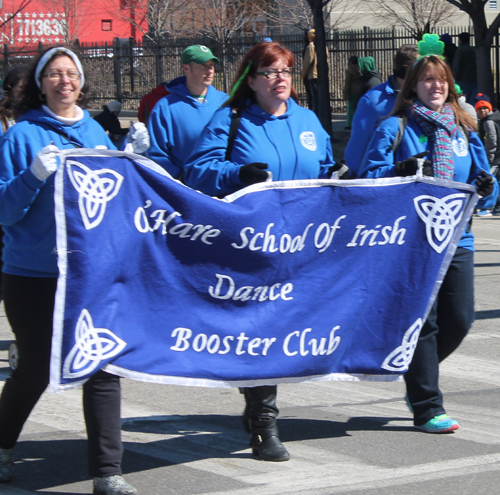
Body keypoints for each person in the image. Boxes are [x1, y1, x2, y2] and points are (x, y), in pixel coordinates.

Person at [0, 46, 145, 494]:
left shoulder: (95, 133)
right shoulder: (22, 136)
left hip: (88, 273)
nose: (65, 81)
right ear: (41, 83)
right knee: (39, 367)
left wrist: (133, 161)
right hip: (32, 274)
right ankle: (2, 447)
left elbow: (116, 202)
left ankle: (107, 472)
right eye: (55, 74)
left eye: (72, 74)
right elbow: (4, 211)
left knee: (102, 364)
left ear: (82, 81)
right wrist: (32, 176)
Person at [183, 42, 336, 461]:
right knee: (261, 333)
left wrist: (337, 176)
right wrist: (236, 174)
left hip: (301, 247)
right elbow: (197, 171)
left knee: (285, 331)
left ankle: (258, 406)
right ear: (250, 80)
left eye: (286, 70)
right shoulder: (231, 120)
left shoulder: (307, 120)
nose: (280, 78)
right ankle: (263, 423)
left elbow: (325, 169)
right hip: (250, 247)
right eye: (269, 72)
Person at [358, 40, 498, 433]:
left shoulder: (464, 128)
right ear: (413, 86)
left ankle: (417, 374)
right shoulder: (396, 126)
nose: (435, 87)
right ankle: (427, 405)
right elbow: (368, 179)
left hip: (458, 237)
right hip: (412, 242)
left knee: (460, 318)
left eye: (442, 80)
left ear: (450, 86)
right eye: (427, 80)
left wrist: (488, 189)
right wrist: (397, 170)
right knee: (426, 322)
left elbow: (485, 182)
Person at [146, 45, 227, 179]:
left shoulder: (224, 102)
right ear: (186, 68)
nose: (210, 71)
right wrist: (180, 179)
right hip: (185, 189)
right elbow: (156, 153)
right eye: (203, 65)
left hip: (222, 185)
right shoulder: (165, 107)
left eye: (211, 65)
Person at [344, 45, 418, 177]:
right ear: (407, 71)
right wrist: (352, 178)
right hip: (389, 180)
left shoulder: (425, 97)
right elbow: (358, 146)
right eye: (421, 70)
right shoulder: (373, 101)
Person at [475, 93, 500, 215]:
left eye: (484, 108)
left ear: (489, 108)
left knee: (490, 180)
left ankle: (486, 207)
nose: (482, 111)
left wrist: (488, 159)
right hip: (497, 156)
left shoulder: (488, 122)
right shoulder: (496, 117)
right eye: (479, 109)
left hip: (495, 157)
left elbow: (491, 141)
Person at [301, 29, 328, 116]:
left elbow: (307, 62)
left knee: (314, 97)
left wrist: (303, 74)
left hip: (313, 74)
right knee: (321, 96)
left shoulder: (311, 46)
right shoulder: (324, 46)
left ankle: (315, 114)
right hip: (322, 74)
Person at [453, 32, 477, 105]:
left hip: (463, 80)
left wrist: (455, 78)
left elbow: (457, 66)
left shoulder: (460, 50)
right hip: (474, 78)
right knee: (472, 101)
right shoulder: (474, 50)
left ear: (460, 40)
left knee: (463, 101)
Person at [343, 55, 362, 130]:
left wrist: (346, 93)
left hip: (352, 91)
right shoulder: (361, 69)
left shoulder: (349, 70)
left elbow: (347, 83)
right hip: (360, 91)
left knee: (350, 108)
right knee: (359, 107)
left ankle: (349, 124)